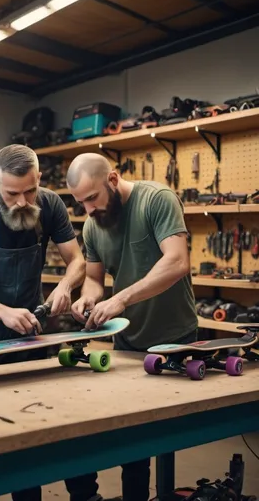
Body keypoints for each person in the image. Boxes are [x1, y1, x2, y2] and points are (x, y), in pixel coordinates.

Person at [0, 144, 103, 501]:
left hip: (30, 332)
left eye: (30, 190)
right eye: (12, 193)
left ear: (39, 180)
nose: (22, 201)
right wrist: (1, 311)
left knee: (48, 419)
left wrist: (66, 284)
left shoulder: (49, 205)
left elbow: (77, 259)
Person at [66, 153, 198, 501]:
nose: (88, 210)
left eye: (91, 198)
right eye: (80, 203)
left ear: (112, 179)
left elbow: (177, 261)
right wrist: (88, 299)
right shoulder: (92, 226)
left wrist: (121, 299)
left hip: (172, 340)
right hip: (128, 342)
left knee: (144, 438)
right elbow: (94, 279)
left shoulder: (156, 200)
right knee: (130, 441)